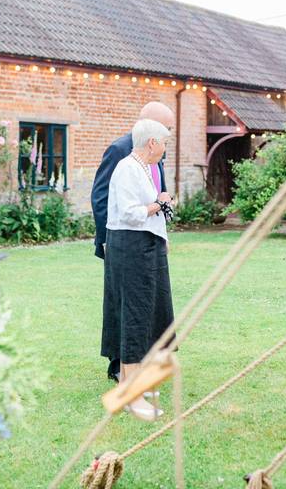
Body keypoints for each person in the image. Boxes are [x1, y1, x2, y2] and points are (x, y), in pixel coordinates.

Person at [92, 101, 176, 382]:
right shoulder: (121, 152)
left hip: (150, 238)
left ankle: (148, 359)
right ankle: (120, 365)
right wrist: (105, 239)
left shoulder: (153, 155)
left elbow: (156, 193)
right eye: (166, 130)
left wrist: (162, 229)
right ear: (150, 130)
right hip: (125, 242)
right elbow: (103, 197)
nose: (168, 136)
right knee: (125, 303)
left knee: (152, 302)